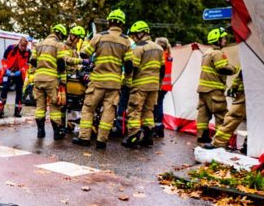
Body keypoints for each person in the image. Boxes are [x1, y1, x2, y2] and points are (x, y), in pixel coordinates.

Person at [72, 9, 132, 149]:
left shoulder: (99, 36)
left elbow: (84, 54)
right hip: (114, 84)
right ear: (122, 24)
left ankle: (84, 138)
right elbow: (129, 65)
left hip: (97, 81)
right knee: (108, 112)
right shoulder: (126, 41)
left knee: (88, 109)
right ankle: (101, 141)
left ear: (109, 22)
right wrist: (127, 81)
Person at [122, 21, 164, 148]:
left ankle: (133, 137)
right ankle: (148, 137)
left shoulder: (139, 48)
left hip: (140, 85)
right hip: (154, 86)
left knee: (134, 110)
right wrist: (159, 83)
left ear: (141, 33)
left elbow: (133, 67)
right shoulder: (159, 48)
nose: (133, 38)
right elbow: (163, 69)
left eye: (134, 35)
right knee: (148, 111)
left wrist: (127, 82)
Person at [29, 24, 74, 139]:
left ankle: (40, 132)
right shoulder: (59, 45)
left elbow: (32, 61)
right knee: (55, 106)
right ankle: (57, 133)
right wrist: (63, 81)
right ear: (60, 34)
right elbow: (61, 64)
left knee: (40, 107)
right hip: (51, 79)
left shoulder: (39, 44)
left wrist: (40, 69)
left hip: (38, 79)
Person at [196, 27, 238, 145]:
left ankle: (202, 136)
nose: (225, 40)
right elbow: (222, 68)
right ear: (217, 40)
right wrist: (236, 69)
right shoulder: (218, 53)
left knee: (203, 114)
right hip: (214, 90)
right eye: (223, 38)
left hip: (203, 90)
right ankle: (220, 142)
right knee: (221, 115)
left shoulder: (207, 53)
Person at [207, 69, 246, 150]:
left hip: (247, 92)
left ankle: (218, 143)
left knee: (233, 116)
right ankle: (248, 145)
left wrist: (234, 86)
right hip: (248, 92)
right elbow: (241, 73)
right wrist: (234, 86)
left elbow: (242, 73)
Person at [0, 37, 31, 117]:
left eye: (25, 46)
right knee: (4, 89)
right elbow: (4, 60)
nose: (23, 48)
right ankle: (1, 108)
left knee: (19, 91)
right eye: (22, 46)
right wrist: (6, 69)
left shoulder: (28, 52)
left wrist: (21, 70)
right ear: (19, 43)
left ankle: (17, 111)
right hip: (8, 70)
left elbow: (27, 65)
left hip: (19, 72)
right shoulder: (11, 48)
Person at [153, 37, 173, 138]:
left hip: (160, 85)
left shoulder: (161, 55)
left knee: (157, 106)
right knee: (159, 105)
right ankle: (158, 127)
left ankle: (158, 128)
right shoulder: (168, 55)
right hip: (166, 85)